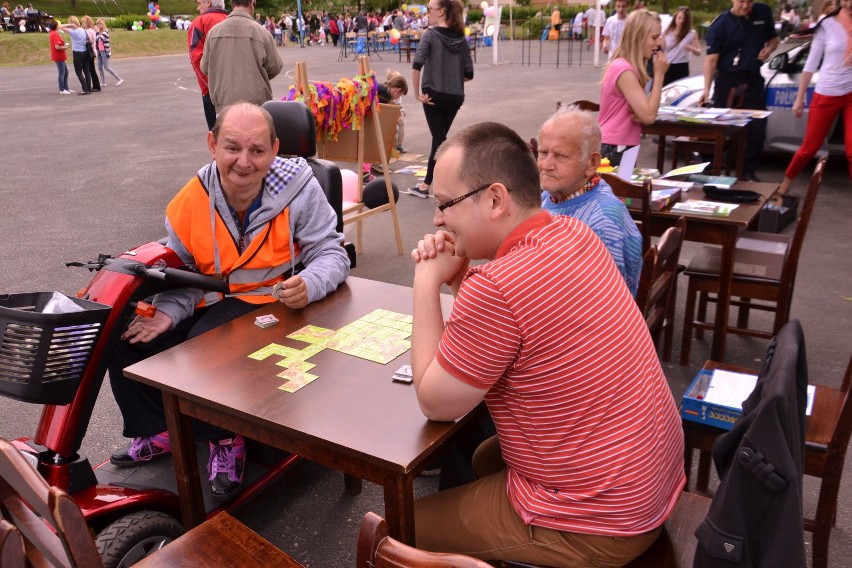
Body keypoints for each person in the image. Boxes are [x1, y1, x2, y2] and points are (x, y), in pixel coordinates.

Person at [408, 121, 684, 566]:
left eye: (445, 205)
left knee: (403, 521)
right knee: (483, 457)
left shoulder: (498, 287)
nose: (437, 219)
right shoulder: (573, 233)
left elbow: (435, 401)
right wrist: (462, 279)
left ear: (495, 199)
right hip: (648, 475)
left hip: (603, 517)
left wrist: (425, 283)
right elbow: (520, 328)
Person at [106, 103, 350, 502]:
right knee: (125, 334)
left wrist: (310, 281)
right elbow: (184, 273)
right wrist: (167, 312)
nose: (244, 162)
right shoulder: (190, 202)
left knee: (206, 344)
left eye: (257, 150)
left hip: (278, 303)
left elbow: (333, 253)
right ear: (212, 145)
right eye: (233, 148)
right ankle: (159, 429)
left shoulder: (303, 187)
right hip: (215, 300)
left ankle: (224, 438)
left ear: (274, 149)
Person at [538, 105, 643, 296]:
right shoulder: (548, 197)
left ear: (592, 163)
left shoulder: (602, 220)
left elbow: (606, 301)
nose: (546, 165)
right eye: (543, 153)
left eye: (560, 156)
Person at [776, 0, 852, 198]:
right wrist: (799, 98)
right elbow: (810, 64)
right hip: (827, 92)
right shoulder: (826, 25)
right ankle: (785, 184)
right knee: (810, 147)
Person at [700, 0, 779, 182]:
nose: (746, 6)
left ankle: (748, 171)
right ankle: (712, 168)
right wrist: (706, 89)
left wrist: (769, 49)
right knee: (720, 125)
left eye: (749, 1)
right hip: (727, 80)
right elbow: (711, 61)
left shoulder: (763, 12)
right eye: (741, 1)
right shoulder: (720, 24)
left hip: (752, 77)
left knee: (756, 127)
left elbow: (774, 40)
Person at [409, 0, 473, 198]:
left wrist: (416, 93)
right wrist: (451, 76)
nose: (428, 12)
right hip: (454, 97)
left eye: (430, 8)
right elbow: (468, 73)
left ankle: (444, 182)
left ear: (442, 11)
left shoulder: (431, 35)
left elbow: (417, 64)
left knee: (440, 141)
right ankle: (427, 184)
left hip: (433, 96)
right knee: (439, 140)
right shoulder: (461, 40)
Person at [599, 9, 669, 166]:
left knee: (625, 189)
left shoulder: (627, 67)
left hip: (622, 144)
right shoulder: (624, 70)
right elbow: (649, 116)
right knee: (622, 190)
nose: (659, 42)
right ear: (639, 37)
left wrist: (644, 110)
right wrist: (659, 75)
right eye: (654, 37)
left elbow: (645, 112)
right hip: (617, 146)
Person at [201, 0, 283, 115]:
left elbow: (205, 67)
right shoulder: (262, 32)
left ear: (232, 3)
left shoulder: (213, 32)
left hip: (224, 105)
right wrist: (256, 76)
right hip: (256, 105)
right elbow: (275, 66)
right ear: (252, 2)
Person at [188, 0, 228, 130]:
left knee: (218, 135)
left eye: (199, 3)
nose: (198, 7)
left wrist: (208, 88)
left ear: (208, 2)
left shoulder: (200, 22)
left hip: (212, 89)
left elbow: (196, 58)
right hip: (237, 89)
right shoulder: (233, 19)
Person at [662, 5, 701, 85]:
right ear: (675, 18)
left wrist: (691, 48)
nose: (681, 21)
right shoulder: (667, 31)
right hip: (668, 65)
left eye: (684, 19)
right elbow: (662, 47)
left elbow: (699, 52)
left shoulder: (691, 33)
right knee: (665, 90)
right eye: (679, 18)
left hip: (682, 66)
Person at [59, 16, 93, 95]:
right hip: (85, 51)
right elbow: (90, 40)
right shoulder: (83, 30)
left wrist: (69, 25)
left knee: (79, 72)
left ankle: (85, 89)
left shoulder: (73, 31)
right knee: (87, 71)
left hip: (77, 53)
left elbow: (59, 27)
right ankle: (88, 88)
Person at [378, 69, 409, 153]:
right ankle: (390, 147)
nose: (398, 98)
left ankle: (395, 146)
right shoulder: (385, 94)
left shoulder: (387, 92)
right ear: (397, 91)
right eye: (400, 95)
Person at [95, 19, 123, 87]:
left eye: (100, 24)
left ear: (103, 24)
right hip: (99, 51)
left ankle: (119, 79)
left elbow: (100, 39)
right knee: (99, 67)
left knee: (106, 67)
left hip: (105, 51)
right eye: (98, 24)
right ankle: (103, 82)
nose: (99, 25)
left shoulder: (105, 32)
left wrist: (97, 32)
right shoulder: (99, 32)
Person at [47, 20, 71, 94]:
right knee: (62, 72)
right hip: (58, 55)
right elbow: (57, 47)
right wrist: (65, 47)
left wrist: (63, 46)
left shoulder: (52, 33)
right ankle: (62, 89)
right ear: (57, 26)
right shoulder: (55, 34)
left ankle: (66, 88)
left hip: (58, 55)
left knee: (65, 72)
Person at [81, 15, 101, 92]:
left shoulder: (88, 31)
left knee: (91, 69)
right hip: (92, 51)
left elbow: (90, 40)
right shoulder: (91, 30)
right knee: (91, 69)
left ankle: (96, 86)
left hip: (90, 51)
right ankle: (96, 85)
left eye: (83, 22)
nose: (82, 23)